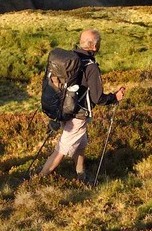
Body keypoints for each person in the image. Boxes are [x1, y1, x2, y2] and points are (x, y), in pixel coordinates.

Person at [39, 29, 126, 181]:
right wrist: (115, 97)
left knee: (81, 144)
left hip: (64, 107)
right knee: (61, 150)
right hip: (78, 114)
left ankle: (81, 175)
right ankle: (38, 180)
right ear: (94, 46)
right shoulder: (91, 67)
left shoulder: (71, 58)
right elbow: (97, 98)